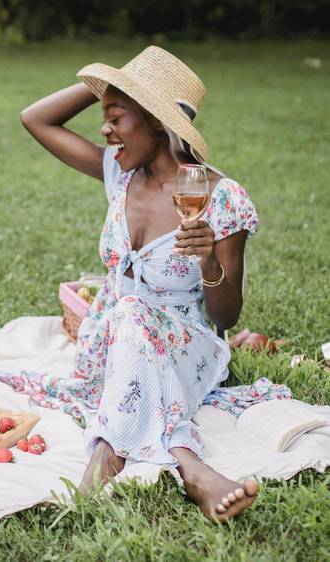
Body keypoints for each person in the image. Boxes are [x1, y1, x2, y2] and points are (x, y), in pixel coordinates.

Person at [18, 46, 260, 521]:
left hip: (186, 344)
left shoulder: (222, 198)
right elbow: (36, 119)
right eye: (104, 118)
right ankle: (190, 466)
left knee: (133, 314)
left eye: (117, 118)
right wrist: (108, 90)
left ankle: (109, 450)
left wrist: (209, 259)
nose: (105, 130)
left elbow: (226, 317)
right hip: (110, 342)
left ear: (155, 121)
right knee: (128, 313)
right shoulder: (119, 174)